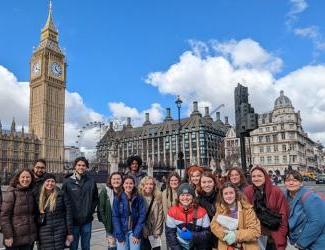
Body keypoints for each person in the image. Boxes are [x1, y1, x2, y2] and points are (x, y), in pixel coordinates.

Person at [244, 166, 288, 250]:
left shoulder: (276, 191)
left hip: (274, 235)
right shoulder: (248, 191)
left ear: (265, 177)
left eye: (259, 176)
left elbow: (284, 215)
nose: (256, 179)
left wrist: (281, 236)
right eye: (254, 176)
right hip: (256, 236)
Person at [62, 156, 99, 250]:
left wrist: (90, 210)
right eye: (79, 165)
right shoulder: (67, 182)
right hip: (73, 221)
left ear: (86, 167)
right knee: (73, 246)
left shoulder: (91, 181)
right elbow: (63, 200)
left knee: (86, 246)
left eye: (83, 165)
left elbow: (95, 198)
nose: (81, 167)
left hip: (87, 220)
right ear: (75, 166)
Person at [211, 182, 260, 250]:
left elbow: (255, 231)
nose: (229, 196)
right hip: (226, 246)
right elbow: (214, 226)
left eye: (231, 193)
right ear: (222, 196)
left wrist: (236, 235)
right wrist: (225, 235)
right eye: (226, 194)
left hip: (245, 246)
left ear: (236, 194)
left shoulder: (247, 209)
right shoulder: (220, 209)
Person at [284, 170, 325, 250]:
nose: (291, 183)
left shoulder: (310, 197)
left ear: (301, 183)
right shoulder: (285, 197)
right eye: (288, 180)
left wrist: (300, 244)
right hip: (295, 241)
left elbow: (317, 222)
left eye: (295, 180)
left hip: (315, 244)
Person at [165, 183, 211, 250]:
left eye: (188, 195)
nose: (185, 198)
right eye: (182, 195)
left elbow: (207, 234)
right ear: (178, 197)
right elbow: (170, 234)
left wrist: (192, 235)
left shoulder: (202, 212)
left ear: (193, 197)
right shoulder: (172, 212)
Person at [1, 168, 37, 250]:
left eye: (28, 177)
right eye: (23, 177)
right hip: (14, 240)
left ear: (31, 179)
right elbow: (4, 216)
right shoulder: (12, 192)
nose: (25, 179)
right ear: (18, 178)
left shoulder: (31, 192)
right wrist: (8, 236)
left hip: (28, 239)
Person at [37, 173, 73, 249]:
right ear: (44, 183)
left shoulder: (61, 195)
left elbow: (68, 215)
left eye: (52, 181)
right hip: (44, 234)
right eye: (48, 181)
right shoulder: (38, 197)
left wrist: (69, 233)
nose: (50, 183)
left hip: (59, 232)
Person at [112, 175, 146, 250]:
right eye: (126, 183)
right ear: (123, 185)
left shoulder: (139, 198)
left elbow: (142, 216)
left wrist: (137, 234)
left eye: (131, 183)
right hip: (122, 231)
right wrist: (119, 234)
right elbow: (115, 217)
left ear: (134, 185)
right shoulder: (118, 198)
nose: (128, 185)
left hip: (134, 231)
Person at [98, 172, 124, 250]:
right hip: (110, 225)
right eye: (114, 179)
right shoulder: (105, 191)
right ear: (110, 180)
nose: (116, 181)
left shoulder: (125, 191)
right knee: (112, 247)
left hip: (123, 225)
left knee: (122, 246)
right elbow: (100, 208)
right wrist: (106, 222)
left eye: (118, 179)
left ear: (122, 180)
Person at [138, 176, 164, 250]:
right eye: (146, 184)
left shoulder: (158, 197)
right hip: (143, 231)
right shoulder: (139, 197)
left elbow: (160, 216)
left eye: (151, 184)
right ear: (143, 185)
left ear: (154, 186)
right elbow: (138, 216)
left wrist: (157, 231)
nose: (149, 186)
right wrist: (144, 230)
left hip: (155, 231)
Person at [197, 171, 219, 249]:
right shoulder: (199, 199)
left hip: (220, 237)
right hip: (206, 237)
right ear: (200, 184)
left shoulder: (221, 196)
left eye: (210, 181)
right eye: (204, 182)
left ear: (214, 182)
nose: (207, 185)